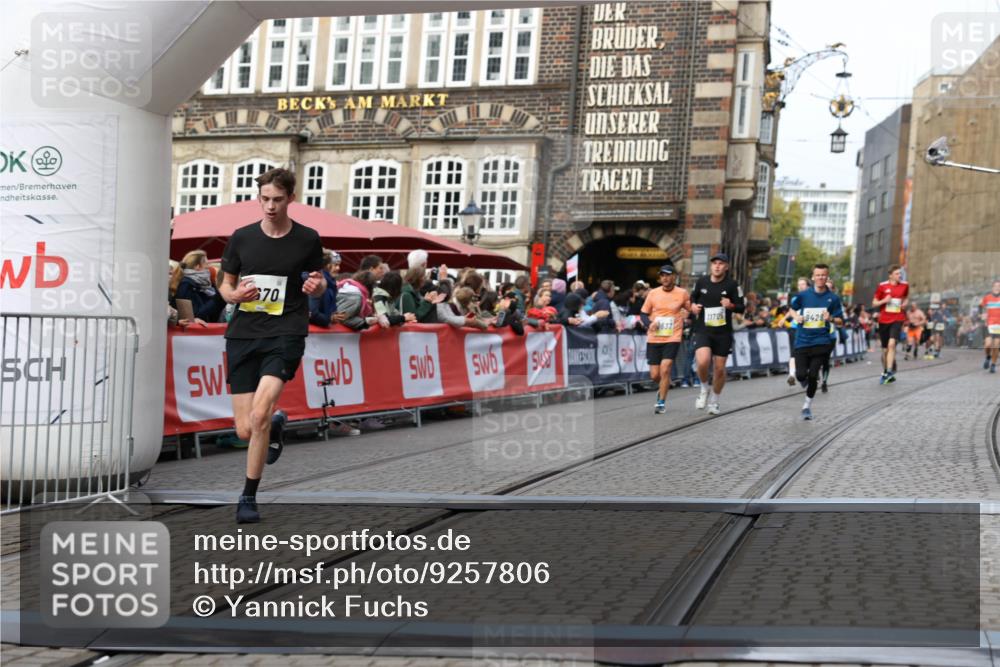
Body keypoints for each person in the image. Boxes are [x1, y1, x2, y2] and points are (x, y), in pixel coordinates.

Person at [217, 168, 326, 524]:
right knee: (245, 430)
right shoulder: (242, 237)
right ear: (258, 198)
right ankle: (277, 423)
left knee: (258, 416)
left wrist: (317, 288)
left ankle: (247, 496)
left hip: (286, 332)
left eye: (277, 199)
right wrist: (233, 295)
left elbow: (318, 281)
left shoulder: (307, 239)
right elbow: (225, 283)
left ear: (290, 199)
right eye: (264, 199)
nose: (270, 206)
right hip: (244, 333)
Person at [689, 253, 745, 415]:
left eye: (721, 263)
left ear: (726, 267)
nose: (717, 266)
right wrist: (693, 306)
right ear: (711, 266)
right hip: (703, 329)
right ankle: (704, 388)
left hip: (723, 332)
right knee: (703, 361)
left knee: (719, 369)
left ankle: (714, 401)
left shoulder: (733, 285)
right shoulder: (701, 282)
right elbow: (693, 298)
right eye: (714, 263)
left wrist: (731, 305)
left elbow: (741, 307)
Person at [789, 264, 844, 420]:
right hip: (802, 340)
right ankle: (808, 386)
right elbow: (792, 308)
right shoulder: (804, 295)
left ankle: (807, 406)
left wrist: (831, 318)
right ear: (813, 277)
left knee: (813, 375)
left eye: (823, 275)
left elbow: (840, 321)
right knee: (800, 375)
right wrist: (796, 317)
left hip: (821, 341)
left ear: (827, 277)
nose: (820, 277)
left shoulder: (833, 298)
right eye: (817, 275)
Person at [640, 264, 691, 414]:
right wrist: (649, 324)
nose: (665, 278)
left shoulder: (682, 293)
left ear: (674, 276)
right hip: (654, 337)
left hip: (673, 336)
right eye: (662, 275)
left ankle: (661, 403)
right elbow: (643, 313)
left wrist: (688, 315)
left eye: (668, 275)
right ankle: (663, 386)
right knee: (655, 374)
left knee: (666, 367)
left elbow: (691, 309)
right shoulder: (653, 293)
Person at [872, 264, 908, 384]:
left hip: (898, 318)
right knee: (884, 350)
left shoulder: (905, 285)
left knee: (892, 344)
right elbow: (874, 303)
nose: (900, 275)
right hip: (884, 320)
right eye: (897, 273)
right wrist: (884, 301)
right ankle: (887, 369)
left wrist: (904, 304)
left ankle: (888, 371)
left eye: (900, 273)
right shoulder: (882, 286)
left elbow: (906, 297)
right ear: (891, 275)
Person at [172, 250, 226, 322]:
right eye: (206, 265)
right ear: (197, 266)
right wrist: (218, 297)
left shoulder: (206, 284)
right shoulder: (186, 285)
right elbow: (195, 315)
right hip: (195, 331)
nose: (209, 267)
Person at [307, 250, 344, 327]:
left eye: (339, 265)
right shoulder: (317, 282)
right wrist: (329, 319)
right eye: (335, 265)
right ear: (326, 266)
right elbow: (312, 313)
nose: (338, 268)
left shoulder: (331, 284)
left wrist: (333, 316)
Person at [981, 280, 1000, 373]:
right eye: (995, 286)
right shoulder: (987, 298)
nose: (997, 287)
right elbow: (981, 308)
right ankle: (988, 357)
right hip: (989, 324)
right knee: (988, 345)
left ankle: (993, 364)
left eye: (999, 286)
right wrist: (982, 315)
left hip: (998, 326)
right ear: (992, 287)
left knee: (996, 346)